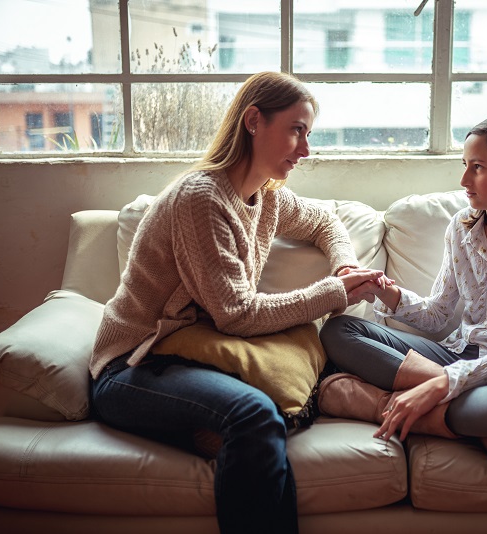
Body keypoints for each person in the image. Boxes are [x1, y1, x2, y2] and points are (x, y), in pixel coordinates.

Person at [89, 71, 383, 534]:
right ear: (253, 121)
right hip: (132, 365)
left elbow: (326, 222)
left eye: (308, 134)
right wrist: (335, 292)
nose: (305, 149)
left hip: (186, 354)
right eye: (296, 130)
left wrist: (344, 265)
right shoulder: (202, 198)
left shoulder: (264, 197)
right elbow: (238, 315)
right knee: (253, 414)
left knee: (277, 401)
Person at [318, 113, 487, 461]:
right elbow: (438, 316)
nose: (464, 179)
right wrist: (382, 290)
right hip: (460, 354)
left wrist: (442, 384)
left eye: (478, 167)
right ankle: (473, 422)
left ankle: (384, 404)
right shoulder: (461, 227)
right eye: (465, 165)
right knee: (339, 330)